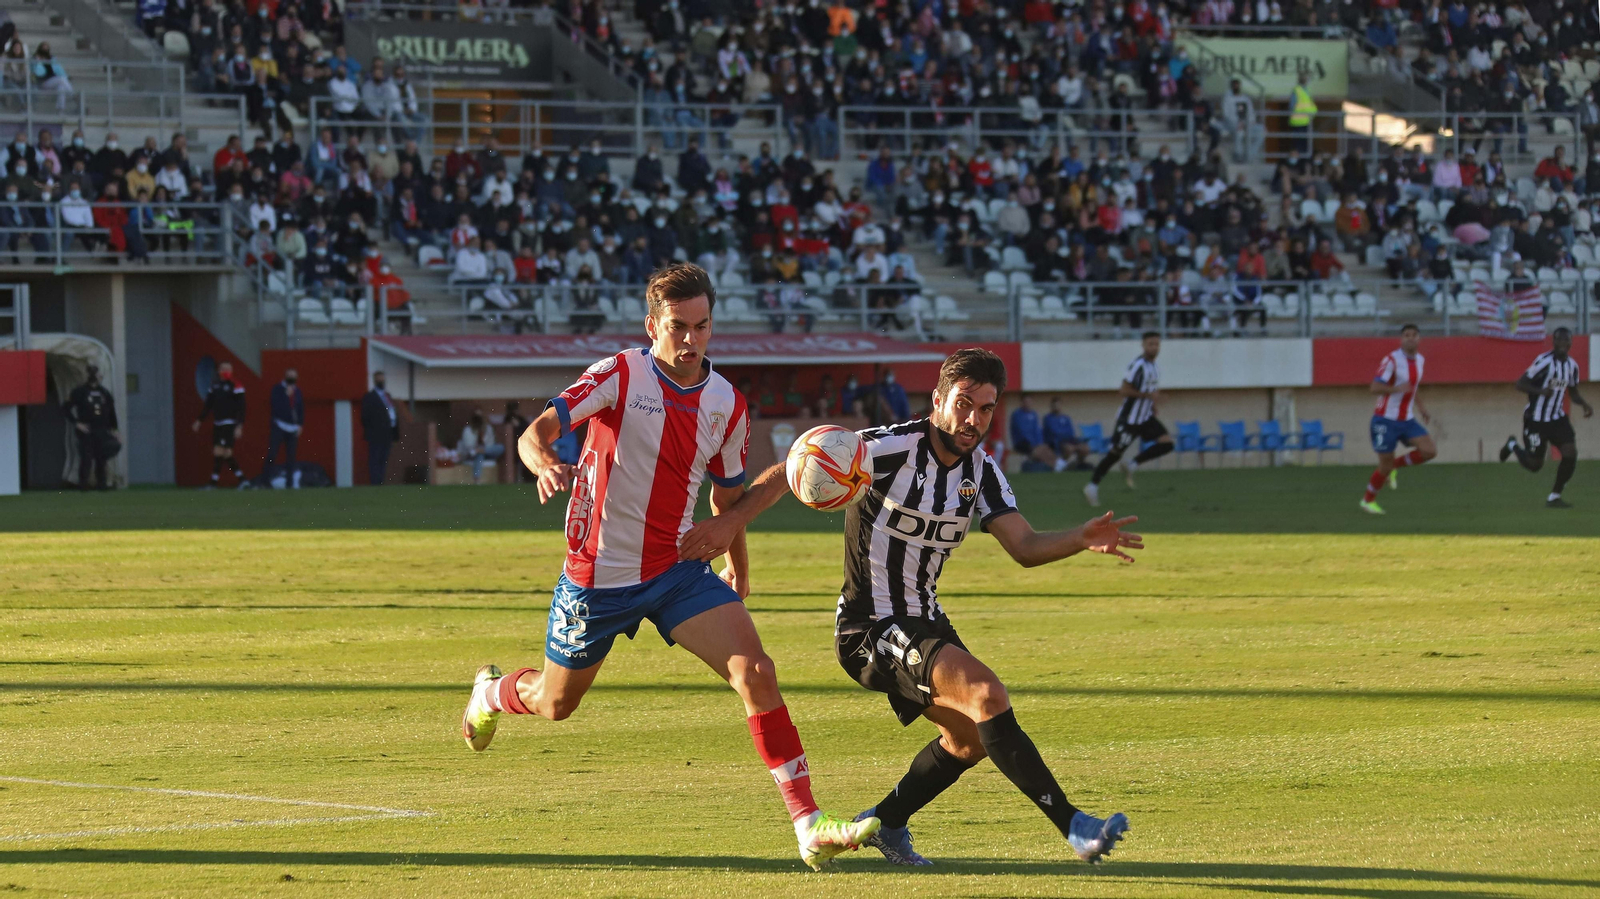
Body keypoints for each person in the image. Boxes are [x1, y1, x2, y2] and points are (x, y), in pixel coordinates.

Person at [456, 263, 880, 869]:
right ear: (652, 325)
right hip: (598, 577)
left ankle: (808, 824)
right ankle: (491, 694)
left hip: (675, 568)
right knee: (555, 703)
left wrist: (737, 560)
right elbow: (535, 433)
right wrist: (544, 462)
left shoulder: (727, 404)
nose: (690, 339)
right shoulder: (620, 374)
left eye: (701, 326)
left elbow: (727, 501)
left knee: (756, 671)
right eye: (678, 326)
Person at [675, 348, 1140, 866]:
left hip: (925, 620)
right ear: (938, 399)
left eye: (986, 409)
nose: (973, 419)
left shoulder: (982, 472)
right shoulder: (890, 448)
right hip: (869, 627)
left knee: (968, 738)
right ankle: (1075, 826)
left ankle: (888, 823)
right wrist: (728, 527)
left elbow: (1025, 547)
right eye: (963, 404)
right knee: (987, 694)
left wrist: (1080, 537)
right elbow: (794, 468)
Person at [1499, 328, 1592, 508]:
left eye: (1566, 341)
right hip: (1536, 419)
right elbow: (1520, 384)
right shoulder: (1544, 362)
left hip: (1557, 419)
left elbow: (1573, 392)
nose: (1562, 344)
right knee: (1535, 465)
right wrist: (1541, 391)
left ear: (1570, 344)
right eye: (1559, 341)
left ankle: (1554, 496)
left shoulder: (1572, 366)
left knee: (1570, 453)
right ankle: (1512, 445)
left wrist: (1584, 404)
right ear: (1553, 342)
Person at [1084, 332, 1174, 506]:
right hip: (1129, 419)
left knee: (1167, 443)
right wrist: (1148, 396)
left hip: (1145, 417)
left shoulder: (1155, 367)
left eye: (1157, 344)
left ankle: (1132, 464)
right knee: (1115, 453)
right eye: (1150, 344)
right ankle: (1092, 486)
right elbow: (1124, 390)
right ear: (1143, 345)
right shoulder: (1137, 366)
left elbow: (1151, 391)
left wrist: (1152, 405)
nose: (1154, 347)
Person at [1359, 324, 1435, 515]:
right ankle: (1368, 501)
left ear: (1419, 339)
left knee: (1429, 451)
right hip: (1384, 420)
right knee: (1384, 466)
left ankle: (1395, 466)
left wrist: (1422, 408)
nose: (1410, 338)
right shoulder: (1392, 360)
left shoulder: (1420, 360)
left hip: (1407, 420)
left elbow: (1412, 387)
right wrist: (1396, 389)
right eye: (1406, 335)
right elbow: (1374, 387)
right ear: (1401, 339)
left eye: (1414, 335)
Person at [192, 361, 248, 488]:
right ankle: (243, 480)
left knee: (220, 451)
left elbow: (242, 407)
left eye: (228, 369)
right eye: (223, 369)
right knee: (225, 453)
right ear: (219, 371)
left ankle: (213, 483)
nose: (225, 371)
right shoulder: (214, 386)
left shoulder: (236, 385)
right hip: (218, 424)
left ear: (232, 371)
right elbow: (208, 405)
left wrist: (239, 425)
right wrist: (199, 420)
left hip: (229, 423)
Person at [65, 364, 118, 490]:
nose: (99, 377)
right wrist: (77, 423)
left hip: (102, 429)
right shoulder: (79, 392)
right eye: (97, 374)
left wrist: (114, 429)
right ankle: (83, 484)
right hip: (87, 430)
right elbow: (66, 408)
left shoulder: (104, 392)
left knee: (102, 458)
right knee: (86, 458)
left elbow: (111, 411)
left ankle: (102, 484)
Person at [266, 368, 305, 488]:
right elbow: (275, 406)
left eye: (294, 376)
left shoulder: (297, 391)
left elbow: (300, 408)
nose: (291, 378)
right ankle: (266, 480)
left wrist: (300, 424)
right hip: (279, 425)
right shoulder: (277, 389)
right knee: (272, 453)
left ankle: (290, 483)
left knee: (291, 456)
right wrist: (286, 396)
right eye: (289, 375)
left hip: (293, 428)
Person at [360, 371, 399, 486]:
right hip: (376, 435)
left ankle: (381, 481)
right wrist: (372, 430)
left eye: (382, 379)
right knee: (375, 459)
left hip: (388, 433)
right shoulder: (369, 397)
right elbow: (365, 417)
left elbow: (392, 412)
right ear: (375, 381)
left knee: (384, 458)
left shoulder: (387, 396)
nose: (381, 381)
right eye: (379, 379)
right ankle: (375, 482)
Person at [455, 409, 504, 484]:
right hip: (472, 454)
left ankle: (480, 451)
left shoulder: (488, 428)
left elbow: (491, 443)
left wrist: (483, 445)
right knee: (479, 455)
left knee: (500, 447)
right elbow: (468, 445)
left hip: (487, 451)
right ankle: (477, 479)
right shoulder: (468, 430)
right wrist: (476, 447)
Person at [1043, 397, 1091, 470]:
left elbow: (1070, 431)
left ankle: (1078, 465)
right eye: (1054, 405)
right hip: (1058, 441)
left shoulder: (1066, 418)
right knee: (1069, 449)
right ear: (1051, 407)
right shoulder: (1048, 418)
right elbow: (1054, 432)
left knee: (1085, 448)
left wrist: (1068, 436)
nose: (1056, 407)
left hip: (1070, 439)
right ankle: (1059, 466)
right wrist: (1063, 434)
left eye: (1058, 405)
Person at [1287, 72, 1317, 155]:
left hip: (1306, 121)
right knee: (1298, 144)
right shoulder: (1297, 90)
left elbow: (1309, 104)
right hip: (1297, 121)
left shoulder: (1307, 90)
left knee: (1305, 143)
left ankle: (1303, 159)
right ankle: (1298, 159)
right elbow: (1292, 106)